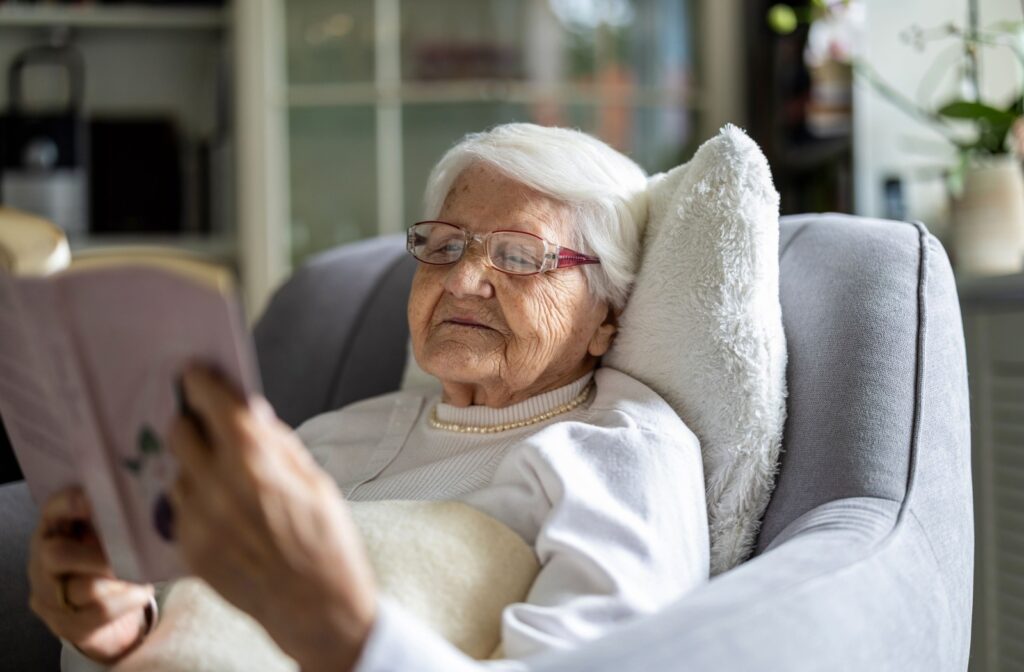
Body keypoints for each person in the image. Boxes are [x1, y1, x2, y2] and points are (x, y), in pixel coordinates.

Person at [28, 123, 710, 672]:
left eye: (520, 256)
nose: (464, 279)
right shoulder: (328, 436)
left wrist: (342, 629)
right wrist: (119, 628)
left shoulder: (619, 452)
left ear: (605, 319)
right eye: (443, 246)